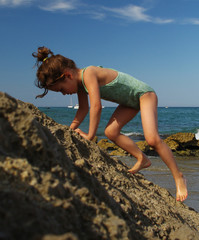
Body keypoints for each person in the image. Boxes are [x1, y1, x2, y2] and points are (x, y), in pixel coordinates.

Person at [33, 46, 188, 202]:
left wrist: (90, 136)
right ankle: (143, 159)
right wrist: (69, 130)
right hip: (128, 102)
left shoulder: (89, 73)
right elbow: (83, 109)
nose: (64, 93)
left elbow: (96, 106)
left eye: (61, 89)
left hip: (144, 94)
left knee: (152, 139)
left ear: (67, 75)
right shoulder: (80, 85)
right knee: (111, 132)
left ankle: (179, 177)